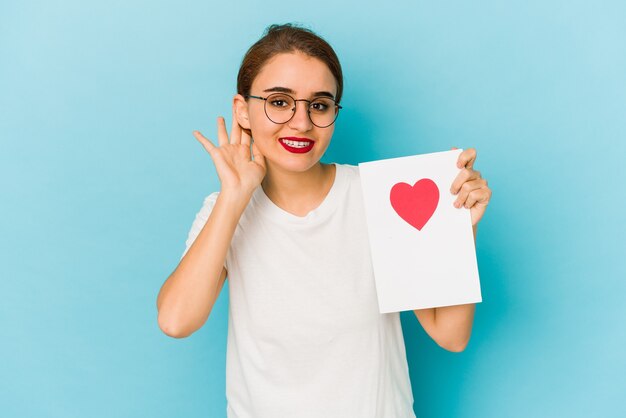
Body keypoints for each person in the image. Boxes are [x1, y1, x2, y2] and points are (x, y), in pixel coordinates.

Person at [156, 23, 492, 418]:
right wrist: (234, 196)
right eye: (279, 102)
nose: (301, 123)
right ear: (242, 110)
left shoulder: (381, 197)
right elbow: (176, 320)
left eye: (319, 105)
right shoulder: (225, 211)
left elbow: (450, 335)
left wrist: (460, 229)